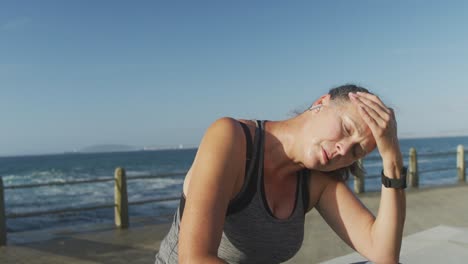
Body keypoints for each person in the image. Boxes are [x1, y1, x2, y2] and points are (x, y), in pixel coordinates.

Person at [155, 84, 406, 264]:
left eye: (356, 152)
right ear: (320, 103)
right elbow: (194, 259)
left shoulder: (316, 181)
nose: (343, 149)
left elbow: (383, 254)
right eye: (346, 128)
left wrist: (392, 159)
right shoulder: (232, 139)